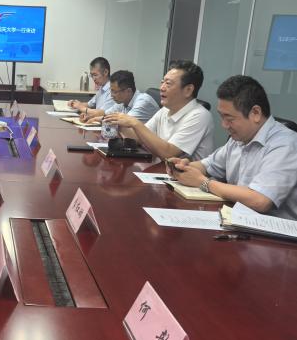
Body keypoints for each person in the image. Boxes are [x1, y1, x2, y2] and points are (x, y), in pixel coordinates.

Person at [167, 75, 297, 220]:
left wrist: (203, 182)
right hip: (239, 219)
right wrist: (183, 167)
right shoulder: (240, 138)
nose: (224, 125)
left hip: (275, 230)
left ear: (255, 113)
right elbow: (208, 165)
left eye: (229, 118)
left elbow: (260, 201)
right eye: (222, 117)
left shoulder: (285, 145)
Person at [103, 60, 214, 161]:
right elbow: (139, 138)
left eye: (168, 84)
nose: (162, 88)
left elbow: (168, 154)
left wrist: (134, 123)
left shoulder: (199, 116)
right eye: (162, 82)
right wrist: (119, 124)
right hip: (159, 169)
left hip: (181, 176)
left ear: (188, 90)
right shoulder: (165, 110)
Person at [82, 70, 159, 124]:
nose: (111, 95)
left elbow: (123, 123)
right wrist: (90, 117)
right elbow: (107, 115)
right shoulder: (122, 102)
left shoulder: (143, 102)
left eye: (115, 92)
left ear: (128, 91)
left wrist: (96, 119)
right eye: (111, 91)